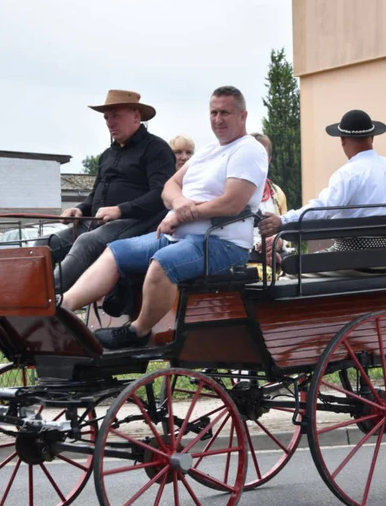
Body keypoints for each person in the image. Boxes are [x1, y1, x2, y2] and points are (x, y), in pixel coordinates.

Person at [62, 86, 268, 350]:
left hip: (221, 242)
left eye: (225, 112)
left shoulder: (248, 150)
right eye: (214, 112)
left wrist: (182, 214)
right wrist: (180, 203)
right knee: (114, 251)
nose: (218, 119)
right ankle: (62, 308)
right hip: (177, 236)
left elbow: (232, 203)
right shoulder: (207, 151)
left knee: (162, 263)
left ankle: (137, 332)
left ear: (243, 116)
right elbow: (169, 187)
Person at [36, 90, 175, 292]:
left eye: (116, 116)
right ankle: (17, 295)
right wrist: (80, 209)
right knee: (43, 244)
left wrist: (120, 210)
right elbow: (95, 195)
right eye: (107, 118)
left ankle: (46, 298)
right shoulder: (107, 155)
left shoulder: (156, 149)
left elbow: (161, 195)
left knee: (86, 242)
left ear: (136, 116)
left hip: (139, 223)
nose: (110, 123)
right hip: (96, 223)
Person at [259, 109, 386, 250]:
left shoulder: (348, 174)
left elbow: (322, 209)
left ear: (342, 140)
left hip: (354, 260)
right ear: (372, 137)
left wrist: (283, 221)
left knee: (295, 277)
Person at [249, 133, 289, 275]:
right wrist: (260, 248)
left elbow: (288, 231)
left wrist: (279, 241)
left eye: (261, 157)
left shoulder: (277, 193)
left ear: (269, 160)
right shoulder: (232, 192)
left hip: (277, 261)